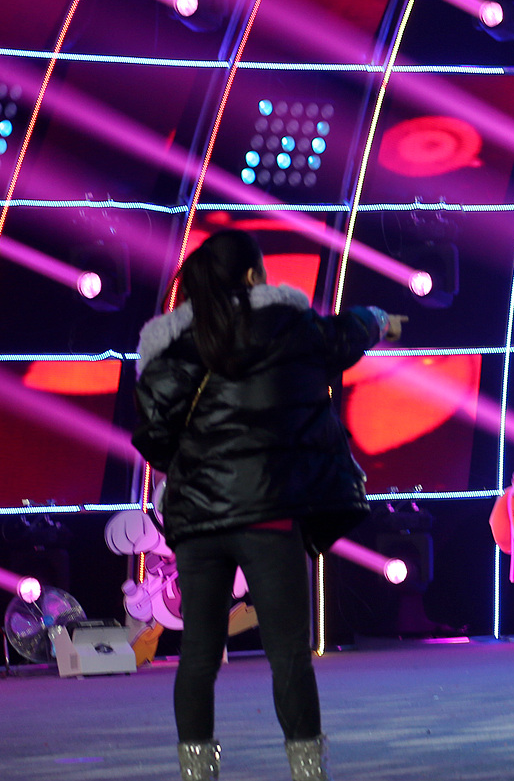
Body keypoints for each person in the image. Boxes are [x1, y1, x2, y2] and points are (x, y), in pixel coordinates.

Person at [133, 230, 403, 781]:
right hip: (269, 514)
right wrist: (381, 320)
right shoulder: (288, 326)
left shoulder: (170, 348)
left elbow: (155, 440)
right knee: (288, 654)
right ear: (255, 276)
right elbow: (342, 334)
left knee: (198, 656)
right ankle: (307, 771)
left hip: (197, 522)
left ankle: (197, 773)